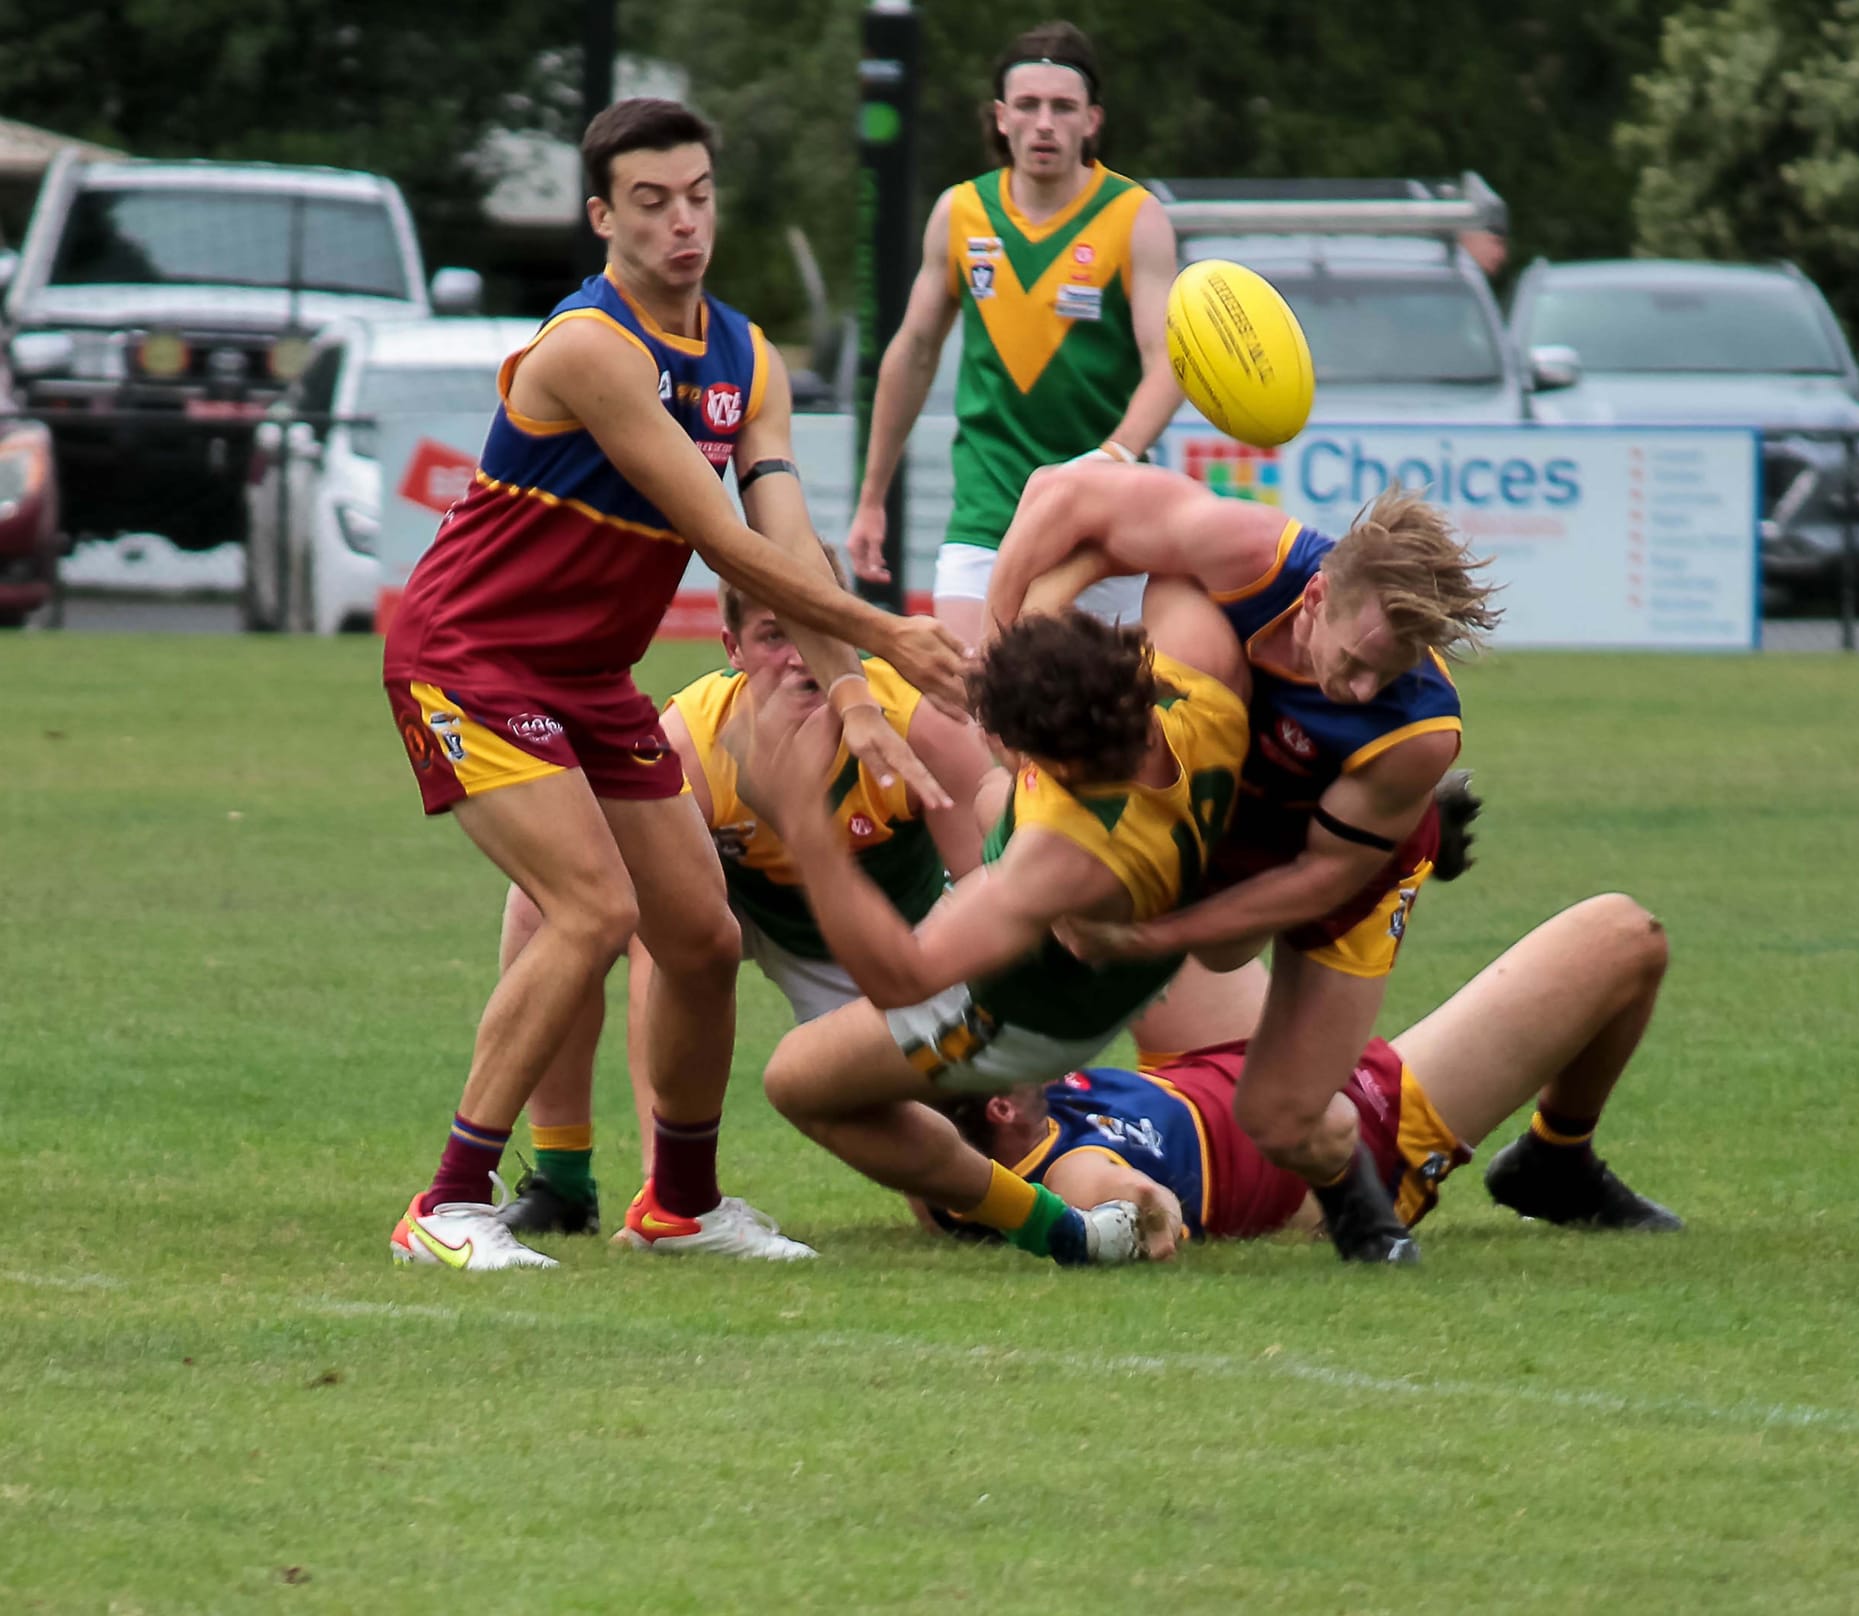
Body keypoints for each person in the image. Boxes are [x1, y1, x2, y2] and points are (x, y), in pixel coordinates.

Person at [383, 99, 967, 1272]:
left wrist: (852, 693)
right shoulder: (591, 347)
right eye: (650, 202)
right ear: (602, 216)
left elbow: (788, 544)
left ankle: (681, 1202)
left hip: (590, 677)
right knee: (591, 911)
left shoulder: (745, 356)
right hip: (469, 658)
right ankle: (446, 1203)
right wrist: (888, 636)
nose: (682, 221)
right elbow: (719, 540)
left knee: (698, 938)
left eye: (697, 194)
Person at [983, 464, 1501, 1264]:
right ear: (1319, 597)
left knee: (1281, 1118)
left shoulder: (1416, 732)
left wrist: (1158, 941)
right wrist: (1001, 658)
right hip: (1236, 796)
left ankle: (1366, 1216)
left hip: (1345, 863)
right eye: (1358, 661)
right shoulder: (1250, 554)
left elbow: (1316, 883)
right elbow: (1061, 493)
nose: (1364, 689)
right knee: (1176, 606)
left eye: (1389, 673)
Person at [735, 581, 1252, 1266]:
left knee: (797, 1080)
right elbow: (1163, 556)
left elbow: (902, 978)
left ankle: (1054, 1227)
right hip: (1123, 952)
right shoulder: (1203, 693)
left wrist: (804, 825)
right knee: (989, 802)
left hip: (1023, 1017)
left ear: (1056, 765)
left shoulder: (1063, 853)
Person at [496, 560, 999, 1245]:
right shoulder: (692, 741)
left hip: (885, 945)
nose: (798, 658)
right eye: (772, 636)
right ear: (732, 651)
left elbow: (990, 896)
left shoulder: (917, 719)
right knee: (552, 903)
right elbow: (634, 897)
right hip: (740, 906)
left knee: (971, 1183)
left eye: (818, 627)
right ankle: (605, 1184)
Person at [921, 893, 1683, 1249]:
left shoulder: (994, 1135)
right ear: (998, 1110)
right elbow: (1132, 1205)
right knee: (1623, 934)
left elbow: (920, 1162)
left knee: (1127, 891)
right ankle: (1556, 1160)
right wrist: (1133, 1216)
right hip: (1335, 1131)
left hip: (1206, 1064)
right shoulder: (1068, 1170)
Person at [844, 20, 1185, 642]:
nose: (1045, 123)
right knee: (976, 710)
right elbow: (913, 353)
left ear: (1093, 121)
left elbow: (1170, 361)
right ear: (1001, 118)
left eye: (1063, 107)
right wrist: (872, 497)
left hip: (1102, 527)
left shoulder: (1135, 217)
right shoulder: (961, 212)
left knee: (1090, 728)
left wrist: (1112, 458)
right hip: (986, 519)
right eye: (1028, 106)